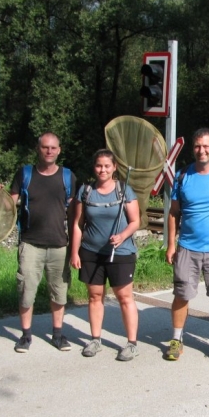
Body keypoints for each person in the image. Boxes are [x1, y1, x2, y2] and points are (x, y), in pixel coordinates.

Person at [0, 132, 77, 353]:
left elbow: (76, 214)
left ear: (59, 150)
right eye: (45, 147)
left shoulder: (68, 177)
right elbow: (8, 206)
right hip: (30, 244)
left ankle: (58, 334)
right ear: (38, 149)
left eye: (53, 148)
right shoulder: (25, 174)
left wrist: (78, 246)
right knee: (26, 290)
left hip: (59, 245)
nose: (49, 151)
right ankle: (26, 335)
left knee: (59, 291)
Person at [165, 128, 209, 364]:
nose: (201, 150)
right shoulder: (183, 176)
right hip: (187, 248)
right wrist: (171, 245)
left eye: (206, 146)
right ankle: (176, 339)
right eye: (197, 146)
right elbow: (174, 213)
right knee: (181, 295)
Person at [70, 149, 141, 361]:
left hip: (120, 253)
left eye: (107, 166)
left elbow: (135, 221)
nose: (102, 170)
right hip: (91, 252)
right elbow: (77, 224)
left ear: (114, 168)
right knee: (94, 296)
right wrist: (74, 252)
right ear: (94, 167)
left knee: (124, 297)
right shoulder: (86, 191)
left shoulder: (124, 190)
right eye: (99, 166)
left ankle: (131, 343)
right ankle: (95, 339)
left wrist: (122, 236)